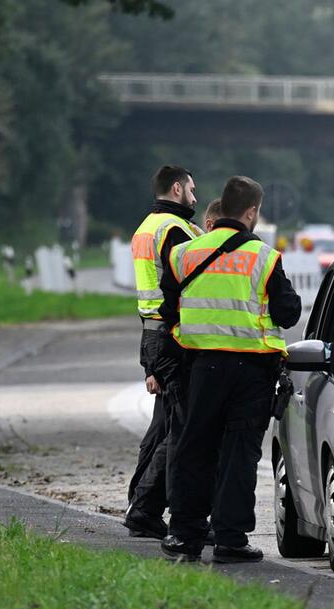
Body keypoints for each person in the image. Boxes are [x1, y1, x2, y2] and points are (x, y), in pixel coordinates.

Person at [160, 175, 302, 563]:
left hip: (200, 367)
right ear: (251, 211)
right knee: (239, 454)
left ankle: (185, 536)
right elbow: (289, 313)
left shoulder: (185, 254)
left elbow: (167, 310)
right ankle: (230, 539)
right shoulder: (264, 257)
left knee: (194, 448)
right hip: (252, 372)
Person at [124, 165, 202, 539]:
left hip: (151, 331)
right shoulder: (173, 230)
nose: (195, 197)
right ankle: (145, 507)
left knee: (163, 427)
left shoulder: (144, 227)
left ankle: (140, 505)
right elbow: (183, 283)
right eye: (191, 189)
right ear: (176, 188)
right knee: (180, 427)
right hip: (172, 332)